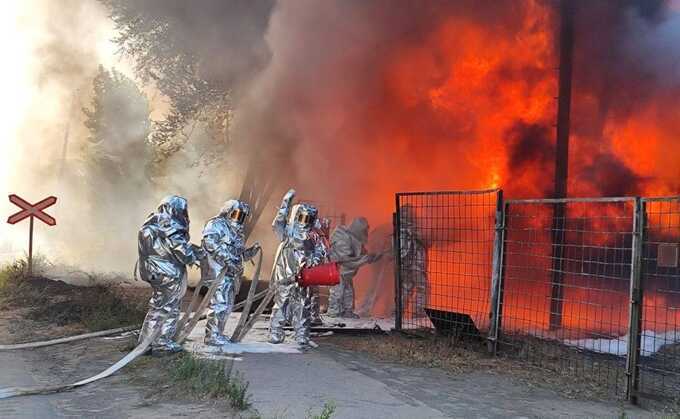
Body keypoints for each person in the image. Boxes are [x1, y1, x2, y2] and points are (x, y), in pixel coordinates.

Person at [137, 195, 203, 354]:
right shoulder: (170, 225)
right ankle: (161, 343)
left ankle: (145, 342)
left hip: (154, 272)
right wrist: (196, 255)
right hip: (170, 274)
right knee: (170, 309)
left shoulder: (150, 224)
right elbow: (182, 252)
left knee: (157, 307)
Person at [269, 189, 326, 347]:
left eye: (308, 218)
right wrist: (285, 203)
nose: (305, 221)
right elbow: (278, 223)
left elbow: (321, 251)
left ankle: (301, 334)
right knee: (281, 303)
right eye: (302, 217)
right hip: (285, 274)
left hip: (304, 276)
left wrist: (313, 262)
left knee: (302, 305)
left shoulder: (313, 235)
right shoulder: (287, 232)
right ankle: (275, 332)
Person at [201, 199, 261, 346]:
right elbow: (210, 243)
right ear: (227, 211)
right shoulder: (216, 224)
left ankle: (217, 333)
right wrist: (228, 259)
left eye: (242, 216)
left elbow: (239, 256)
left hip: (232, 276)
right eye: (236, 214)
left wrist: (251, 251)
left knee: (226, 306)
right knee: (220, 305)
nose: (238, 218)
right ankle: (211, 336)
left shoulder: (238, 232)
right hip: (218, 273)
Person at [326, 217, 381, 318]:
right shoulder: (342, 237)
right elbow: (346, 261)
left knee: (348, 292)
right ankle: (334, 313)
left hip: (345, 273)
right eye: (364, 231)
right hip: (337, 271)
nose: (365, 233)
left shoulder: (355, 237)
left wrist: (373, 257)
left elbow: (362, 254)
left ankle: (347, 312)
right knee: (338, 292)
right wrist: (365, 259)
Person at [399, 204, 427, 318]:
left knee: (406, 286)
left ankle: (397, 312)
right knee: (422, 286)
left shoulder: (397, 226)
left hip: (403, 262)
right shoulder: (413, 228)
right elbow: (425, 241)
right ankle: (418, 312)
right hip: (416, 262)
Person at [308, 217, 331, 325]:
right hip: (310, 268)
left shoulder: (317, 234)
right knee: (311, 293)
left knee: (313, 293)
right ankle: (312, 316)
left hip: (312, 268)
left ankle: (312, 316)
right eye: (325, 226)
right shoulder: (316, 235)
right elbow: (324, 251)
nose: (327, 229)